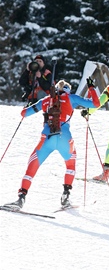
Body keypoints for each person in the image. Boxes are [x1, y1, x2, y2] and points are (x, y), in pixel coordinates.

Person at [2, 79, 100, 210]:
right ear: (68, 90)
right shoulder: (72, 98)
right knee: (70, 164)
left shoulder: (47, 100)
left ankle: (21, 198)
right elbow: (96, 103)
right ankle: (66, 195)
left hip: (46, 137)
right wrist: (91, 88)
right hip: (65, 137)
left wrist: (29, 103)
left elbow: (24, 113)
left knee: (32, 165)